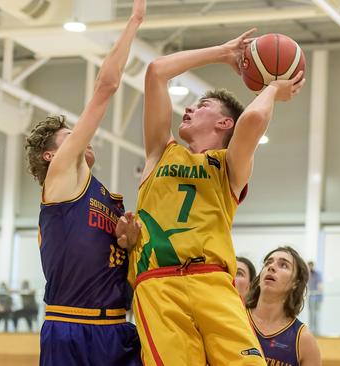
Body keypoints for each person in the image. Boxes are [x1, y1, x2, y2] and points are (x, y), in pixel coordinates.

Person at [127, 28, 305, 365]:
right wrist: (222, 52)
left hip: (212, 280)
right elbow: (156, 71)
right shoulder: (159, 153)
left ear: (225, 122)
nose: (189, 109)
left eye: (202, 105)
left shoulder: (230, 166)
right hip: (158, 285)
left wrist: (273, 88)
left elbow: (252, 118)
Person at [24, 1, 145, 364]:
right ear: (50, 155)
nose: (80, 136)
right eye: (68, 135)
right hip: (71, 327)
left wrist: (130, 240)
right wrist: (134, 21)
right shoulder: (61, 179)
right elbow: (106, 86)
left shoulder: (108, 196)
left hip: (118, 328)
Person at [246, 246, 321, 366]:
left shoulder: (303, 339)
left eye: (283, 265)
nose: (271, 267)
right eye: (268, 263)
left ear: (295, 283)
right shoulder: (237, 317)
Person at [307, 261, 323, 334]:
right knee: (311, 314)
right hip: (311, 296)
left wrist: (319, 293)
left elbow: (320, 286)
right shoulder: (308, 274)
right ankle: (311, 330)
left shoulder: (317, 274)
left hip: (317, 296)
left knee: (315, 314)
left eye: (310, 266)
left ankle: (316, 331)